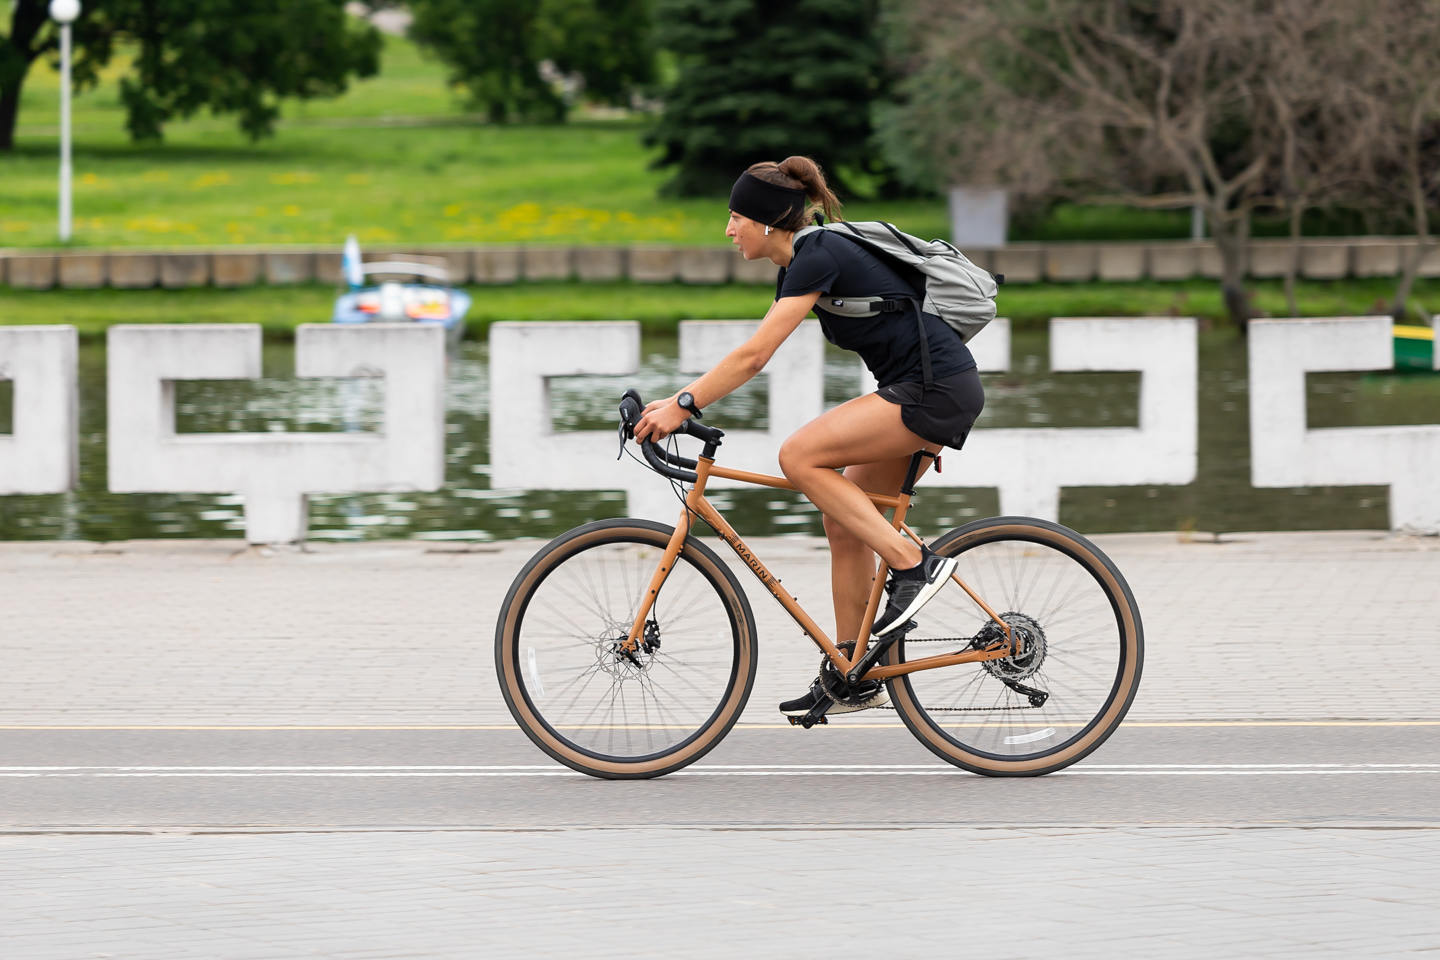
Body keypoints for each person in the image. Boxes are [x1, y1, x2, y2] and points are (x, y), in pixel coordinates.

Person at [632, 156, 985, 717]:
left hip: (932, 390)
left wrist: (682, 404)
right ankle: (853, 671)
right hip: (925, 389)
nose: (728, 230)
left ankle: (911, 562)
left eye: (734, 217)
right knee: (843, 519)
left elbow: (754, 355)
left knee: (799, 455)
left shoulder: (819, 252)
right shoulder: (802, 263)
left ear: (768, 222)